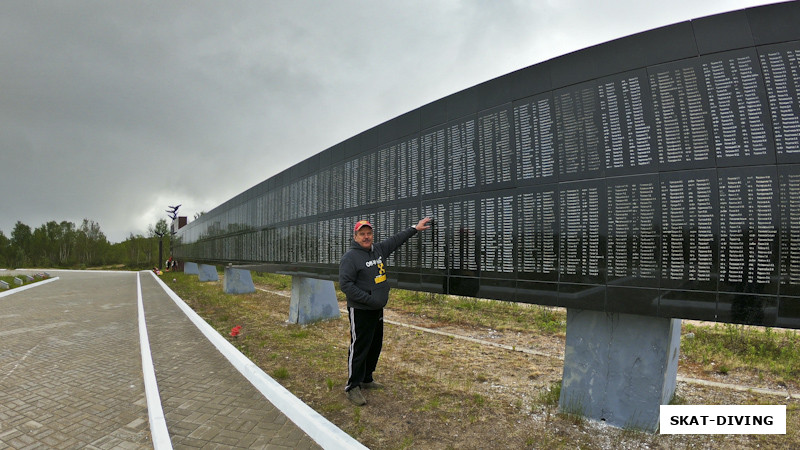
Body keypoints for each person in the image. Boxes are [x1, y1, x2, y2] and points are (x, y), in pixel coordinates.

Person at [339, 217, 432, 406]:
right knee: (359, 347)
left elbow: (397, 239)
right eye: (362, 234)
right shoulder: (350, 257)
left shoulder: (378, 250)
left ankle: (366, 379)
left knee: (375, 345)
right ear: (355, 236)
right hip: (361, 309)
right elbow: (346, 285)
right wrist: (369, 299)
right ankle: (352, 386)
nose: (366, 237)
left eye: (369, 233)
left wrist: (415, 228)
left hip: (377, 309)